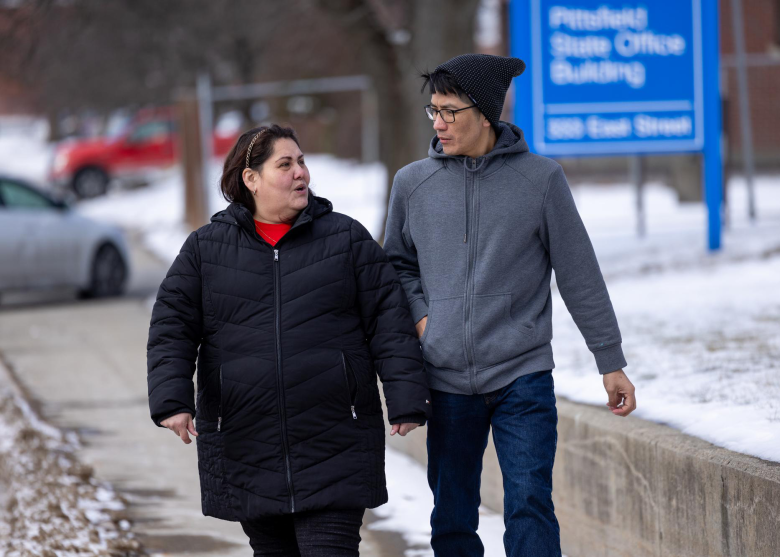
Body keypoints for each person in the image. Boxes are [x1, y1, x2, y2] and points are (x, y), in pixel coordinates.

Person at [383, 54, 637, 557]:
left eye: (450, 111)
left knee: (529, 505)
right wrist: (424, 319)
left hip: (523, 375)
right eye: (433, 110)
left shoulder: (540, 180)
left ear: (485, 113)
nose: (439, 122)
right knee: (452, 514)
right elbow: (396, 266)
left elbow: (579, 273)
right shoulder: (413, 183)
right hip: (447, 377)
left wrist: (610, 361)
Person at [147, 124, 431, 556]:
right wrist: (172, 400)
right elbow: (172, 326)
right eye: (286, 164)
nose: (301, 173)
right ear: (251, 179)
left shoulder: (346, 240)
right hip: (247, 443)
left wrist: (406, 394)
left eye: (302, 162)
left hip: (336, 437)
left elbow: (388, 320)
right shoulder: (206, 250)